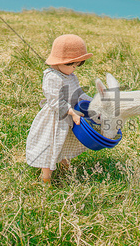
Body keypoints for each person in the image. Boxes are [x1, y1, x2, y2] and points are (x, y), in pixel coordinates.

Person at [25, 34, 93, 184]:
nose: (75, 69)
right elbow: (55, 101)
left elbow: (79, 93)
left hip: (68, 118)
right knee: (50, 145)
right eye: (73, 65)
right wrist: (71, 112)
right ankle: (46, 179)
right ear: (62, 62)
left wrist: (92, 102)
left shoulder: (71, 76)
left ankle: (65, 168)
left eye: (77, 65)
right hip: (55, 119)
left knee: (63, 144)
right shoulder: (52, 77)